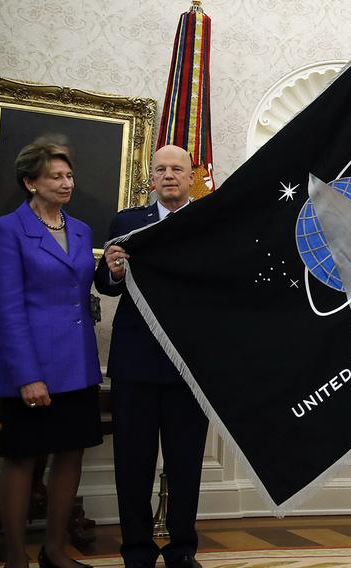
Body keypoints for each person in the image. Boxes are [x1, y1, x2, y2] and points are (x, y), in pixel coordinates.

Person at [0, 143, 103, 568]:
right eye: (55, 176)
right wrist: (27, 375)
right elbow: (6, 308)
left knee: (71, 453)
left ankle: (55, 551)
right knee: (22, 458)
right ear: (30, 182)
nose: (66, 183)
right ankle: (16, 559)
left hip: (79, 364)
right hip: (32, 367)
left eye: (69, 176)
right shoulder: (6, 230)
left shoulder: (84, 230)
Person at [95, 145, 208, 568]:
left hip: (190, 365)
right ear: (151, 178)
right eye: (160, 169)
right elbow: (105, 284)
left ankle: (182, 550)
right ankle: (137, 552)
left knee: (185, 465)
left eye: (177, 169)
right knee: (132, 463)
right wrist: (114, 271)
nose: (168, 175)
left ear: (191, 175)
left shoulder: (208, 222)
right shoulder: (126, 222)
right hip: (135, 363)